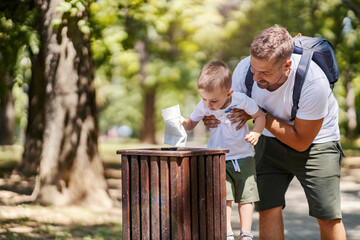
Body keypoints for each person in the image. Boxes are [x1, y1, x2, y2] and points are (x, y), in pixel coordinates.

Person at [203, 24, 346, 240]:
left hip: (317, 143)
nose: (256, 77)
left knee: (327, 215)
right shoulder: (244, 70)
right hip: (268, 142)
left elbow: (300, 142)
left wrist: (259, 114)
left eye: (265, 72)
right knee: (268, 206)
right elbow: (229, 107)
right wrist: (211, 114)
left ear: (287, 65)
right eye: (254, 68)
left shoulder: (314, 82)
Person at [181, 60, 265, 240]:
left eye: (213, 100)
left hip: (244, 156)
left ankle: (246, 233)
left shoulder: (240, 100)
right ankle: (226, 232)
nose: (208, 105)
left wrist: (256, 132)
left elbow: (259, 115)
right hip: (218, 157)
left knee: (246, 196)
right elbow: (190, 123)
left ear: (229, 92)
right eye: (204, 99)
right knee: (223, 197)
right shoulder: (204, 105)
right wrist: (181, 122)